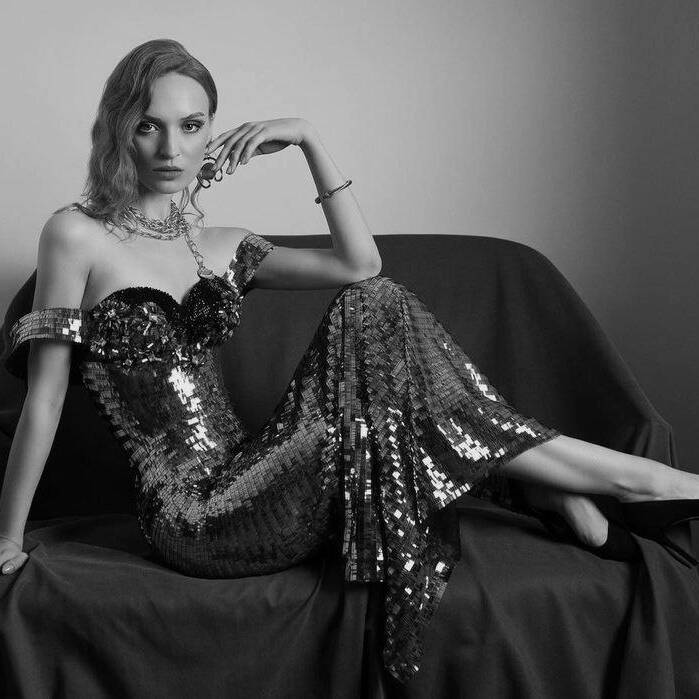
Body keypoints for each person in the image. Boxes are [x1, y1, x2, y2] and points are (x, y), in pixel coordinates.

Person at [1, 38, 698, 683]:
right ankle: (619, 480)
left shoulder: (216, 243)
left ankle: (571, 483)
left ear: (213, 132)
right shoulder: (75, 235)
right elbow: (46, 397)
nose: (171, 147)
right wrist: (7, 536)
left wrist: (309, 140)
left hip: (263, 476)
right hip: (197, 518)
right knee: (371, 384)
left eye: (191, 125)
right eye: (148, 125)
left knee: (374, 303)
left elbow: (360, 265)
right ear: (118, 127)